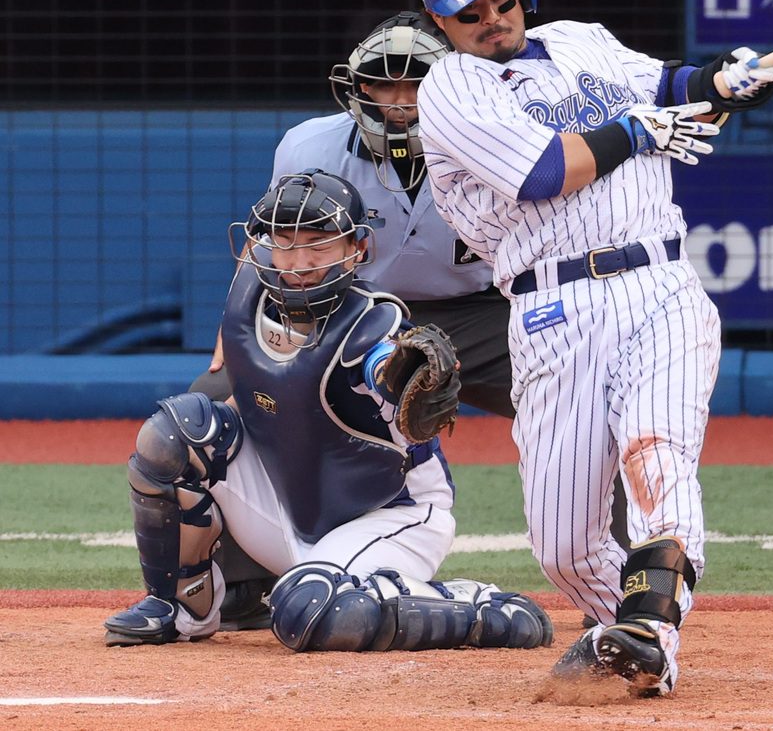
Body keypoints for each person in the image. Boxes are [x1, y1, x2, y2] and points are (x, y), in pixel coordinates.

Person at [413, 0, 773, 695]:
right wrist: (632, 130)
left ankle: (648, 626)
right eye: (468, 11)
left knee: (658, 454)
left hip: (659, 285)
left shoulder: (582, 41)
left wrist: (725, 81)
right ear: (440, 22)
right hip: (552, 309)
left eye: (501, 1)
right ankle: (636, 635)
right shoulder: (451, 87)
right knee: (564, 546)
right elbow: (545, 170)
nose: (491, 19)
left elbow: (671, 91)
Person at [191, 13, 631, 629]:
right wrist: (230, 339)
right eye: (382, 83)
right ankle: (240, 585)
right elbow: (274, 237)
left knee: (590, 401)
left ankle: (618, 585)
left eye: (415, 83)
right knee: (215, 399)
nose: (399, 102)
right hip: (344, 311)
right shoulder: (307, 145)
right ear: (356, 86)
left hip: (482, 313)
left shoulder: (503, 133)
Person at [104, 170, 553, 653]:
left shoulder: (373, 325)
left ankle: (478, 611)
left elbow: (388, 364)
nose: (299, 261)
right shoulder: (249, 299)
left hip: (387, 516)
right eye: (284, 241)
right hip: (291, 509)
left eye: (318, 243)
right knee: (176, 433)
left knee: (310, 611)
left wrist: (407, 377)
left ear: (357, 249)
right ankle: (183, 607)